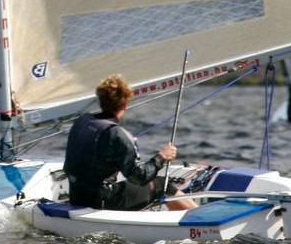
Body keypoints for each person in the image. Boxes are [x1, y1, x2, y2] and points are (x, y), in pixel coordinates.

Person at [63, 74, 196, 211]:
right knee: (163, 185)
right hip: (102, 201)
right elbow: (140, 178)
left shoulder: (82, 121)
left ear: (100, 99)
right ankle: (198, 219)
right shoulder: (118, 135)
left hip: (77, 196)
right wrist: (162, 156)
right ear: (125, 102)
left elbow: (94, 150)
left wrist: (123, 145)